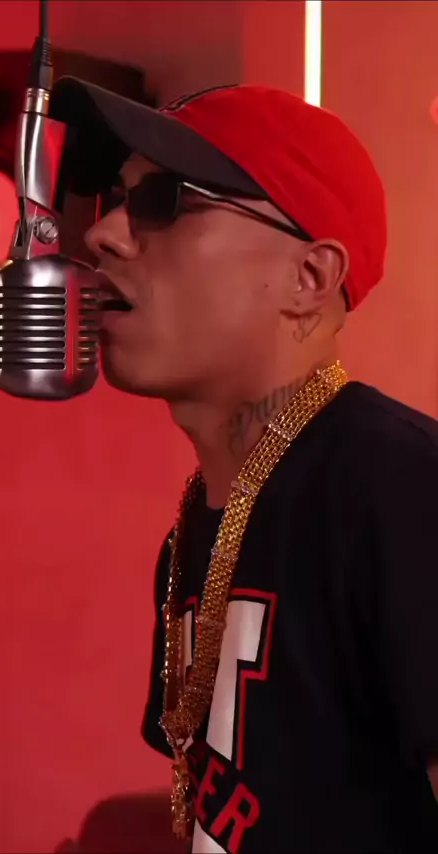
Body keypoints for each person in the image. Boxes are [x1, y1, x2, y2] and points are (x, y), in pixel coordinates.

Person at [51, 79, 438, 853]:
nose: (105, 235)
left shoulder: (403, 491)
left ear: (309, 279)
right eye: (115, 201)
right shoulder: (197, 531)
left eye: (164, 201)